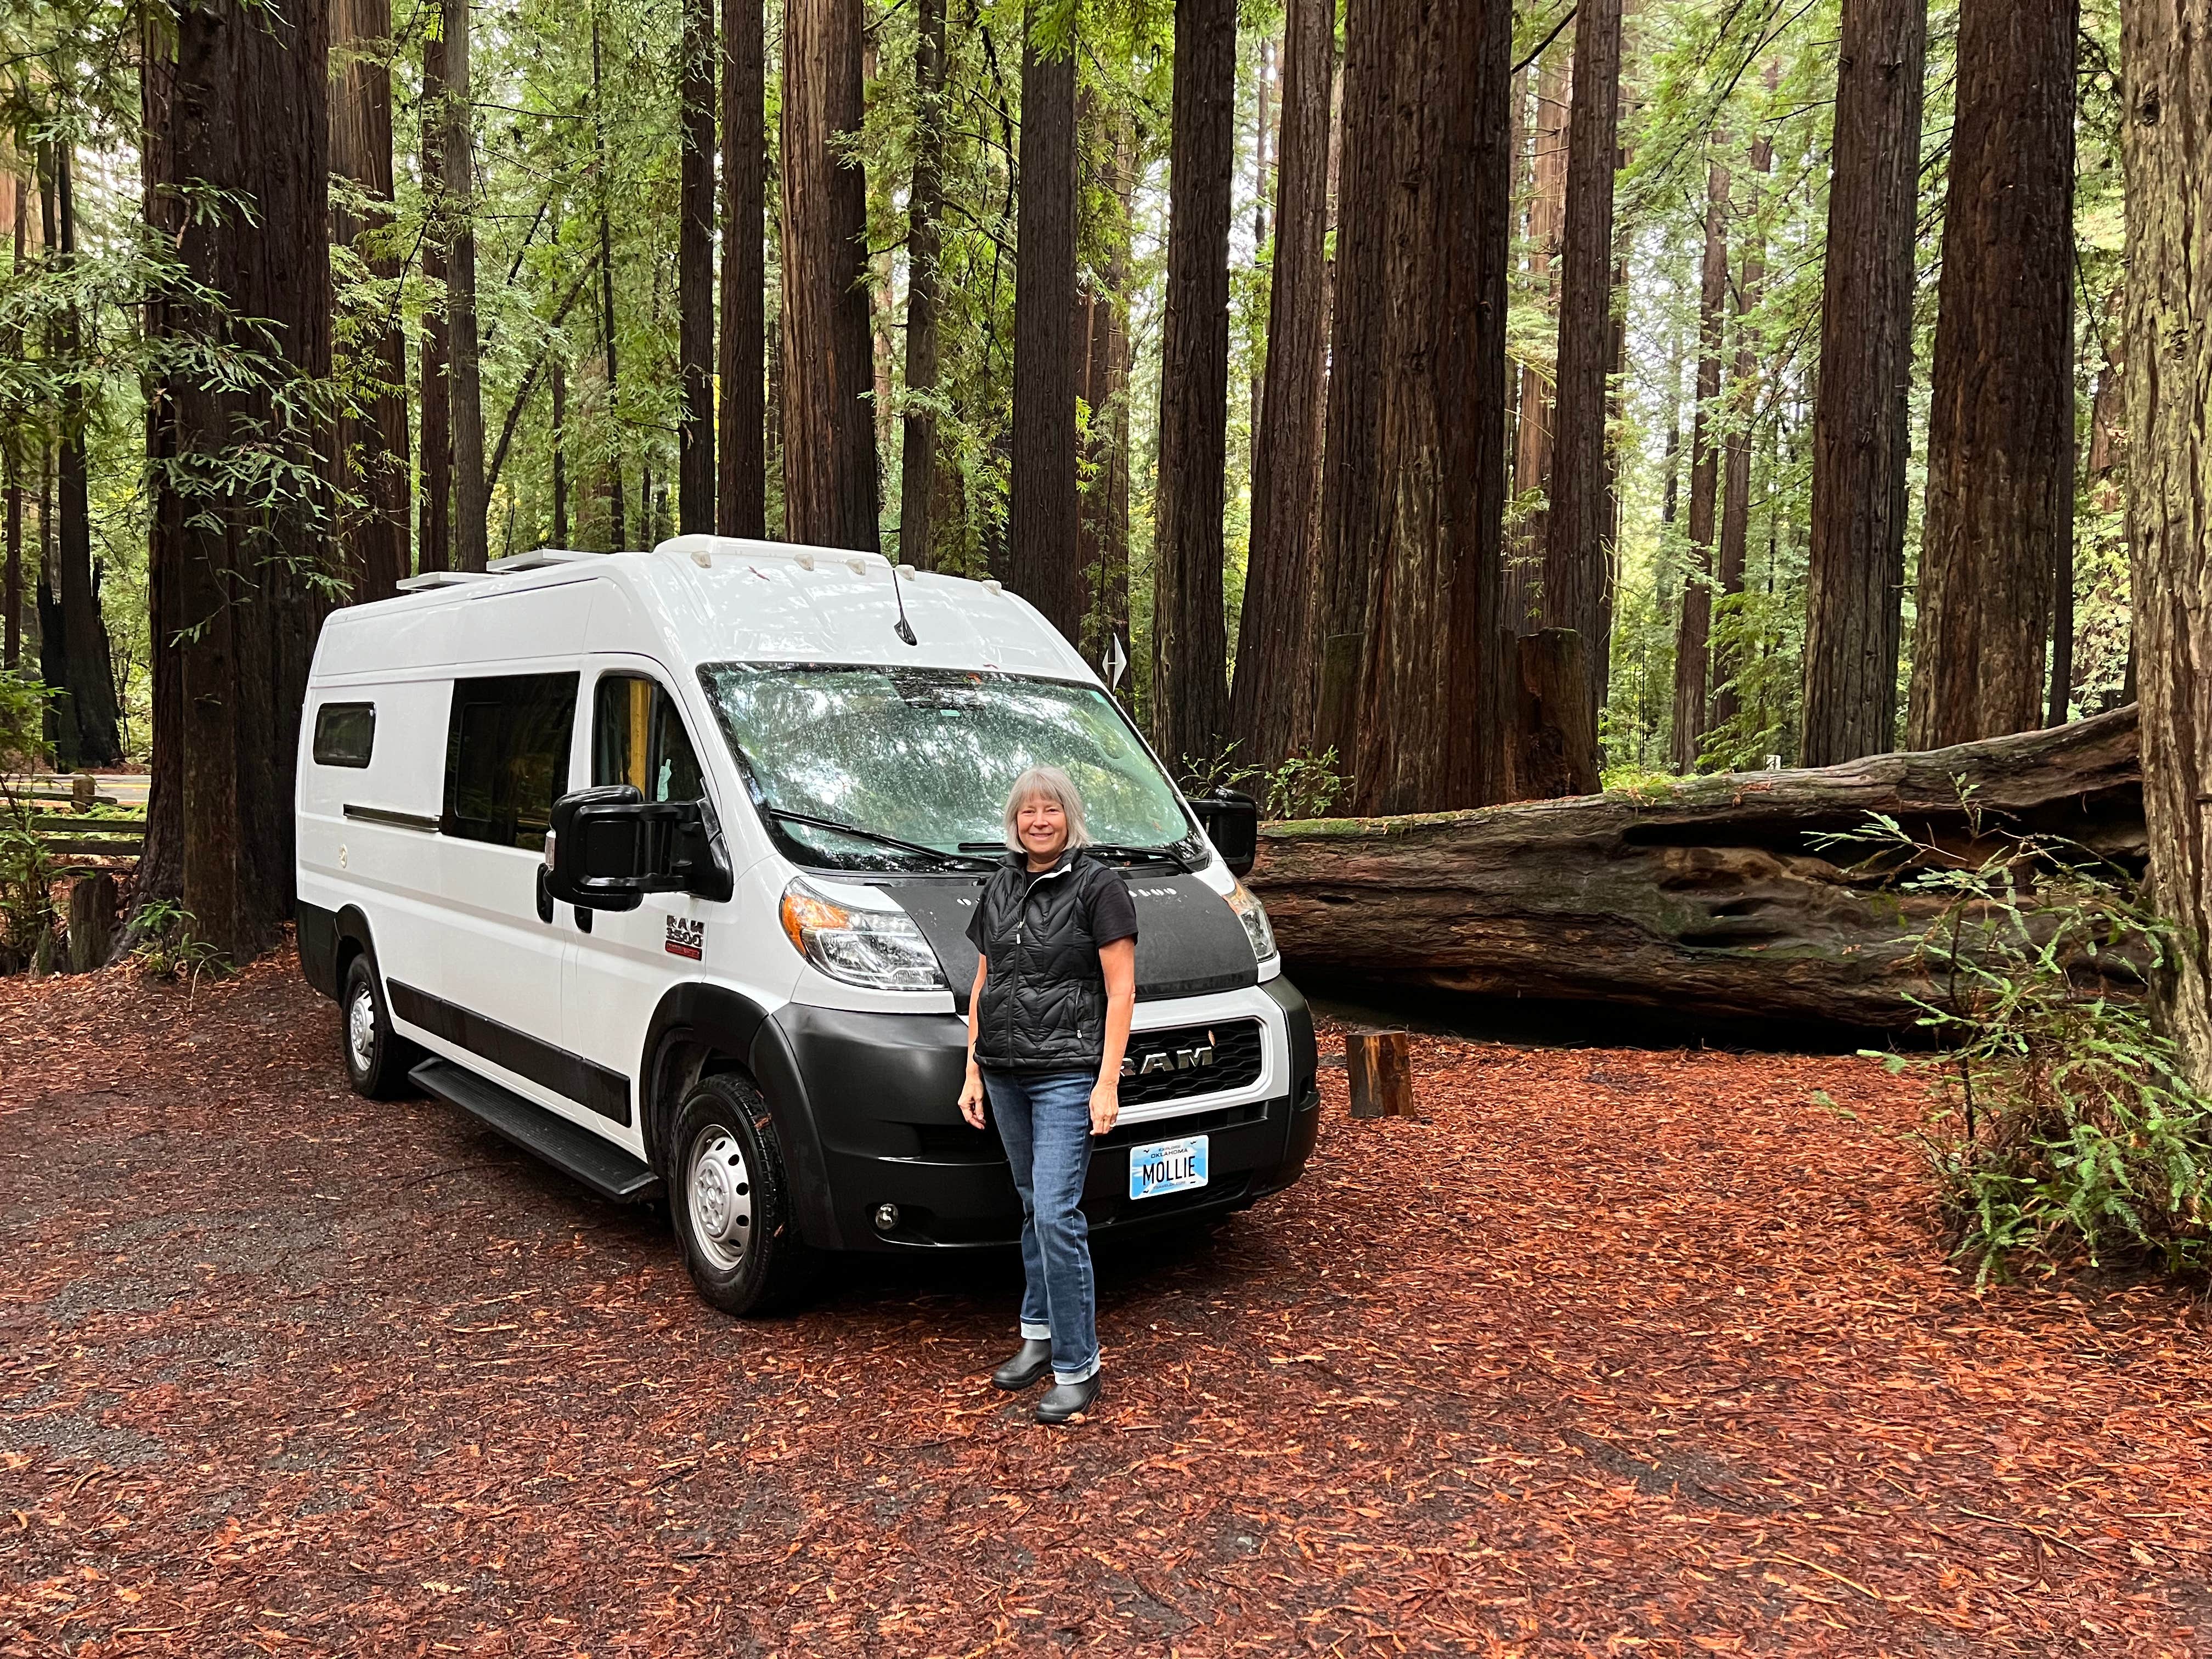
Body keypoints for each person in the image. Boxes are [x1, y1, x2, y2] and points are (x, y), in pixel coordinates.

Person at [959, 765, 1138, 1424]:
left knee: (1059, 1212)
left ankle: (1077, 1363)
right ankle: (1037, 1335)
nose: (1040, 821)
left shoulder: (1099, 885)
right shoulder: (1000, 884)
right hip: (1002, 1069)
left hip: (1066, 1070)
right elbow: (984, 984)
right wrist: (973, 1071)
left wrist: (1107, 1081)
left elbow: (1122, 991)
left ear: (1070, 818)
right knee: (1034, 1205)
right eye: (1029, 812)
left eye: (1052, 811)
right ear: (1014, 821)